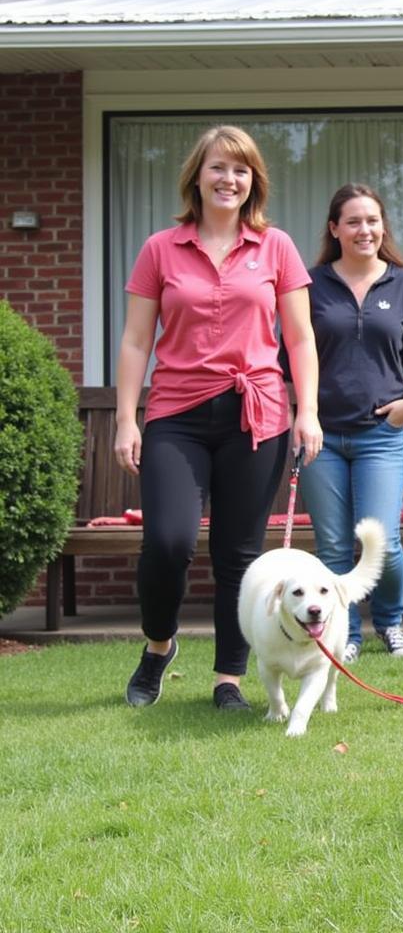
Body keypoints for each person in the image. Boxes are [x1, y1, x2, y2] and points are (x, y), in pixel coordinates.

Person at [114, 125, 323, 709]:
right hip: (176, 414)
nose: (229, 179)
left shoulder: (275, 246)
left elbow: (301, 339)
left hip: (257, 414)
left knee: (239, 554)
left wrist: (307, 410)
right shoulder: (161, 248)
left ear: (252, 181)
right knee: (168, 541)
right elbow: (135, 342)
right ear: (197, 177)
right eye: (218, 168)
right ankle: (159, 646)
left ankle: (228, 678)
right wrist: (126, 419)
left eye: (241, 170)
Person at [298, 183, 403, 662]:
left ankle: (391, 622)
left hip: (382, 434)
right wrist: (303, 414)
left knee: (382, 541)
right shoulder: (310, 286)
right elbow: (289, 353)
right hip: (322, 438)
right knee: (333, 544)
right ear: (335, 229)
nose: (365, 230)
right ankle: (346, 633)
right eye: (353, 221)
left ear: (383, 227)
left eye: (372, 220)